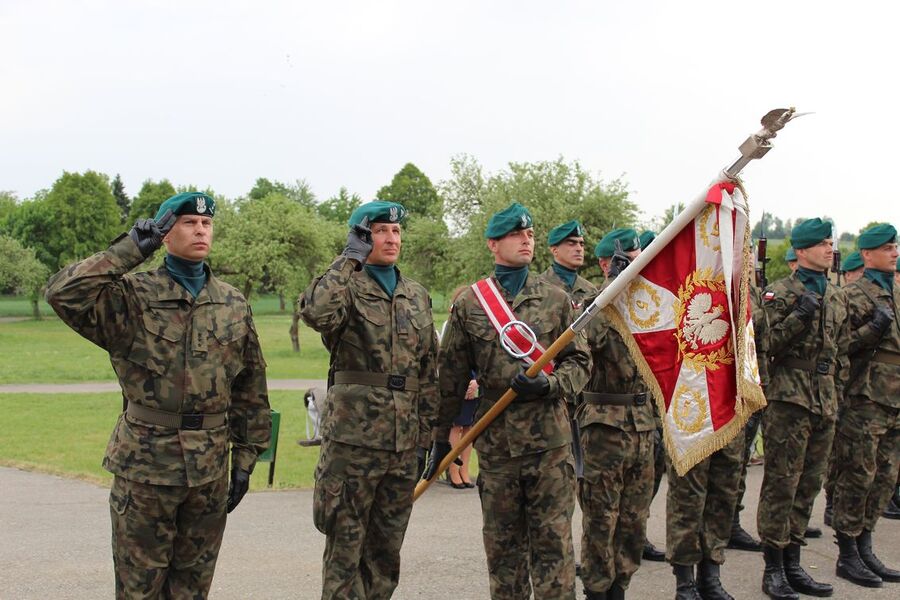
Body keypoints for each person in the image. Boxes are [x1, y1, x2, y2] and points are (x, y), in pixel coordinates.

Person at [45, 192, 271, 599]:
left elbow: (250, 386)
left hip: (209, 469)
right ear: (165, 234)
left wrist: (247, 459)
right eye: (188, 222)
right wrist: (131, 248)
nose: (200, 229)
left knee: (193, 589)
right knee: (139, 589)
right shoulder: (131, 296)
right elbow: (63, 293)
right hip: (146, 467)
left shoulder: (232, 303)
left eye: (206, 224)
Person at [425, 202, 591, 599]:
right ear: (493, 245)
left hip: (550, 448)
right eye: (516, 235)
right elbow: (449, 379)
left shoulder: (554, 299)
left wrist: (550, 387)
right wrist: (436, 440)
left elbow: (581, 362)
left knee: (554, 551)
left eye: (530, 235)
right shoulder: (470, 304)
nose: (526, 240)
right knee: (504, 556)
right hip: (497, 448)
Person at [299, 200, 439, 598]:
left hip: (402, 442)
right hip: (352, 444)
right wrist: (348, 259)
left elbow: (428, 372)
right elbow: (316, 314)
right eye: (379, 231)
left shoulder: (416, 294)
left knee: (385, 553)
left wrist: (426, 438)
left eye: (395, 231)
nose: (391, 238)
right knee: (345, 550)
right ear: (361, 236)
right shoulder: (345, 286)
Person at [756, 218, 849, 599]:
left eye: (831, 242)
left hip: (825, 399)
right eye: (823, 243)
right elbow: (766, 346)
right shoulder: (779, 293)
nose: (830, 248)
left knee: (809, 485)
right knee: (782, 484)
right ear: (803, 250)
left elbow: (841, 351)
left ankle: (794, 563)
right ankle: (773, 569)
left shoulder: (837, 294)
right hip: (789, 400)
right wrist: (798, 316)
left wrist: (837, 393)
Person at [577, 229, 656, 600]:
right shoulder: (593, 305)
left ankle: (620, 586)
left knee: (634, 520)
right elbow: (584, 340)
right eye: (630, 258)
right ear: (608, 263)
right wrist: (610, 289)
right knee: (600, 518)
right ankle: (596, 590)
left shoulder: (650, 304)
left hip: (643, 425)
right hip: (605, 427)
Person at [830, 223, 900, 589]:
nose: (895, 252)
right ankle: (847, 553)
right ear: (868, 254)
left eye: (896, 247)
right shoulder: (852, 295)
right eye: (888, 248)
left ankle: (866, 545)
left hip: (895, 401)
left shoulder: (898, 292)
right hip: (864, 399)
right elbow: (837, 347)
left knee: (885, 478)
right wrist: (871, 331)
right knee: (858, 476)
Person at [539, 220, 598, 482]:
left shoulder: (593, 292)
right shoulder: (540, 289)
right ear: (554, 250)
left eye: (581, 244)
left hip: (584, 394)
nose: (578, 249)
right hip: (551, 392)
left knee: (585, 477)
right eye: (571, 244)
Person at [727, 284, 768, 553]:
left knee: (738, 464)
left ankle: (732, 522)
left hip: (750, 384)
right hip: (721, 390)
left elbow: (763, 340)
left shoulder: (751, 290)